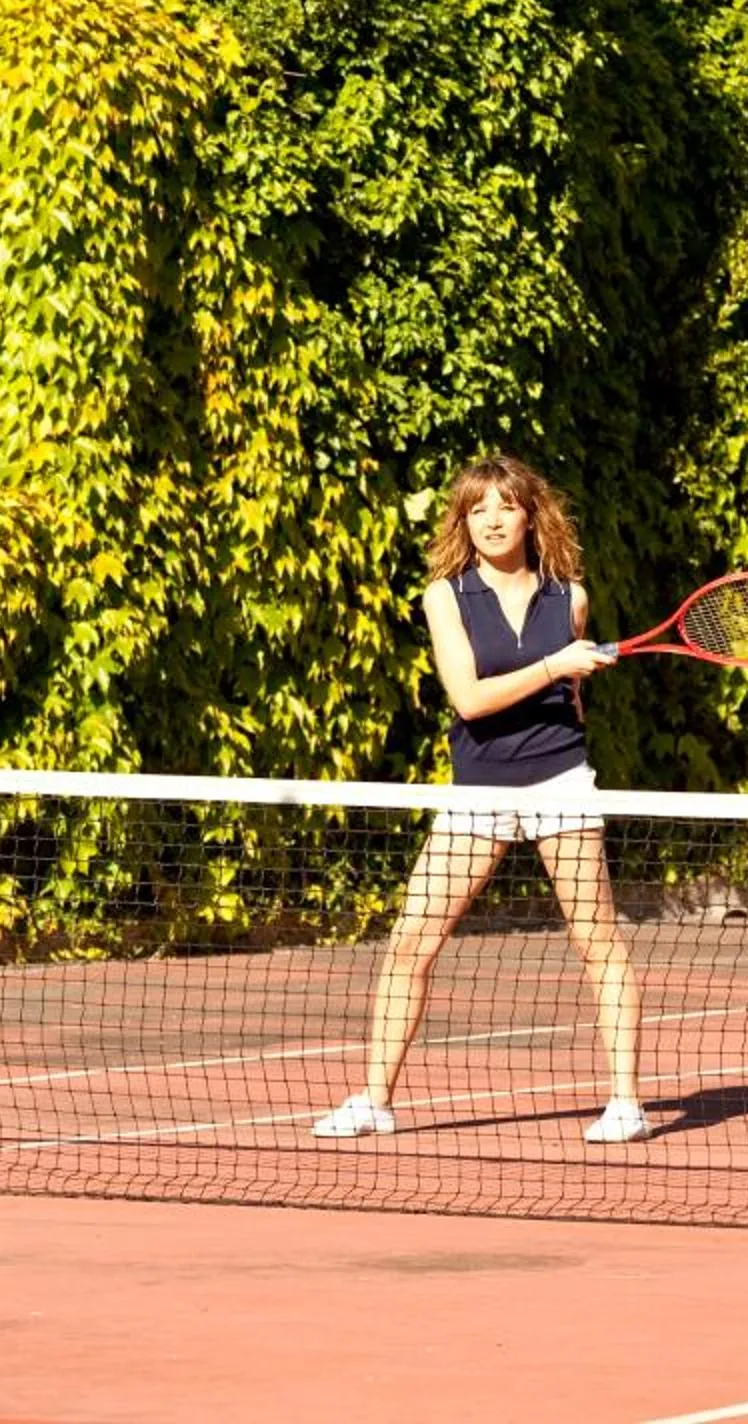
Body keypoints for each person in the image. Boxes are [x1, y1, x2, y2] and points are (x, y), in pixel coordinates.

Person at [313, 455, 654, 1146]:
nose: (492, 520)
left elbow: (571, 708)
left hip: (560, 785)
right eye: (477, 510)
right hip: (479, 791)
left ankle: (626, 1104)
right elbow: (469, 700)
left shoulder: (572, 598)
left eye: (505, 506)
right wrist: (558, 665)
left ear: (531, 513)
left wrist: (568, 678)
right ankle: (374, 1100)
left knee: (599, 945)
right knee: (411, 943)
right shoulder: (446, 595)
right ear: (463, 522)